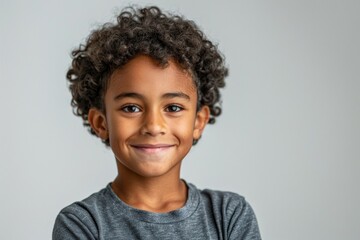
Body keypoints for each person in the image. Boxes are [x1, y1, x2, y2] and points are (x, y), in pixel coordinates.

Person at [53, 6, 261, 240]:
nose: (153, 126)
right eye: (131, 108)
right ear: (101, 123)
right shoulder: (82, 224)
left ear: (198, 122)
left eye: (173, 108)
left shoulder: (228, 215)